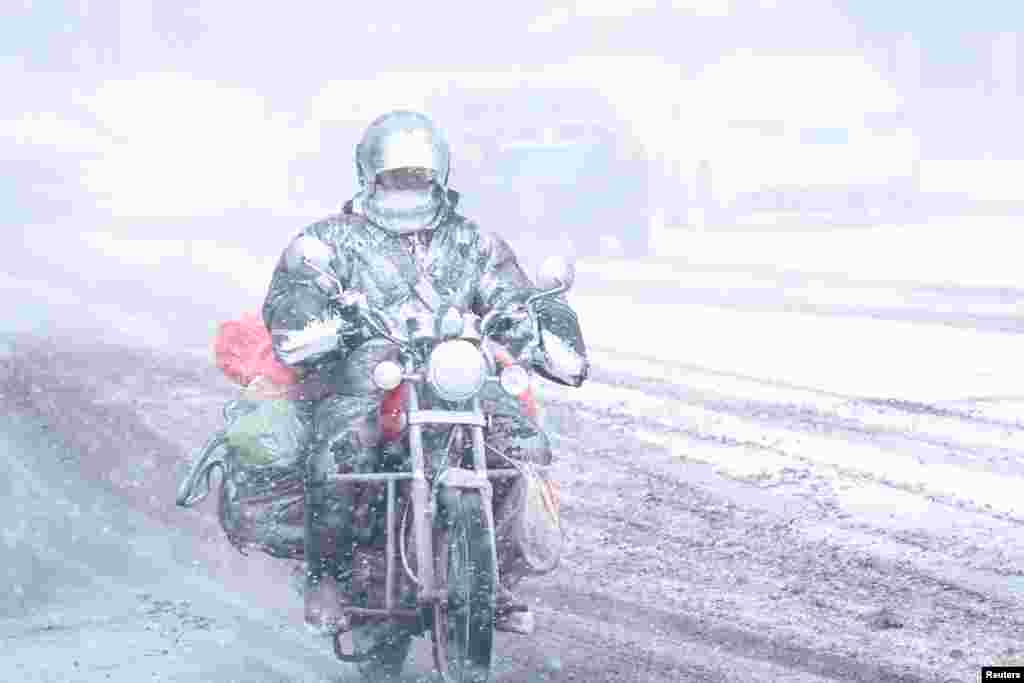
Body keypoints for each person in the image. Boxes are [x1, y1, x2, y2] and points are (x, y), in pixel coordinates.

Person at [262, 110, 589, 640]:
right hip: (373, 369)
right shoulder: (332, 240)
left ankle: (498, 577)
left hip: (456, 366)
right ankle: (326, 580)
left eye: (418, 174)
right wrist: (323, 323)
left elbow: (509, 294)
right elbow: (292, 301)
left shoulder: (473, 242)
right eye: (397, 175)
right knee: (340, 446)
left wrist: (527, 323)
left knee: (525, 446)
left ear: (439, 174)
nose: (408, 184)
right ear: (371, 174)